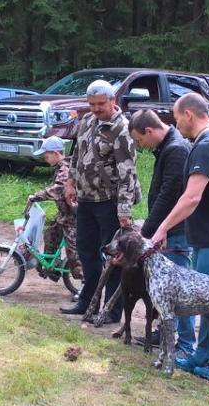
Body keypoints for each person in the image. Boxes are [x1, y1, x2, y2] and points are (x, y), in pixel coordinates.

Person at [149, 93, 209, 384]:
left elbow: (191, 197)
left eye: (177, 118)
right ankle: (202, 356)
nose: (176, 125)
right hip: (208, 235)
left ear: (189, 115)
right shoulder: (208, 140)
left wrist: (162, 228)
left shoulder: (207, 144)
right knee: (204, 300)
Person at [61, 80, 141, 321]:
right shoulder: (87, 120)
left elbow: (128, 173)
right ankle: (88, 301)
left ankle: (112, 310)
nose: (96, 109)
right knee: (86, 251)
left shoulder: (122, 129)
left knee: (114, 257)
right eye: (92, 104)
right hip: (86, 199)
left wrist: (124, 211)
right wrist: (70, 181)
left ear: (113, 100)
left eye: (100, 104)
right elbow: (77, 154)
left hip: (109, 202)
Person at [129, 109, 193, 356]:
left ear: (149, 131)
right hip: (168, 229)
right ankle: (165, 333)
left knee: (179, 289)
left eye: (139, 140)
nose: (140, 145)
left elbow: (169, 195)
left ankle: (185, 345)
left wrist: (146, 232)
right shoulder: (168, 147)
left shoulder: (175, 150)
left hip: (176, 231)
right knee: (166, 287)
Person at [26, 136, 82, 285]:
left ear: (56, 153)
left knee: (74, 253)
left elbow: (58, 189)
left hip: (72, 217)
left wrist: (36, 196)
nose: (45, 159)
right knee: (50, 235)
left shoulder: (65, 169)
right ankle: (53, 267)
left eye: (46, 156)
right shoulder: (59, 168)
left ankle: (85, 283)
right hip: (63, 215)